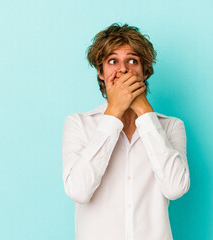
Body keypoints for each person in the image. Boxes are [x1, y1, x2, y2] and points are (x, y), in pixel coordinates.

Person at [62, 23, 190, 240]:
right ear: (101, 72)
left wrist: (143, 110)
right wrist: (113, 113)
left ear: (145, 71)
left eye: (132, 60)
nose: (123, 69)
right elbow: (78, 191)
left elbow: (175, 188)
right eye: (113, 61)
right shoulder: (79, 124)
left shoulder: (171, 126)